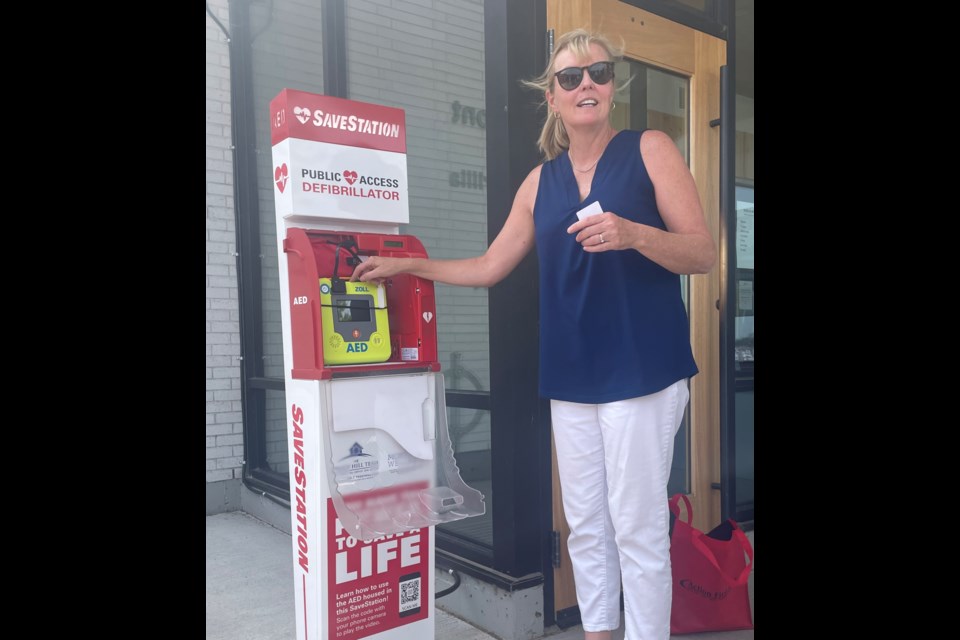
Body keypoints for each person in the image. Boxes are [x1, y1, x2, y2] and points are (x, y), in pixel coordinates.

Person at [352, 28, 716, 640]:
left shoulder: (650, 148)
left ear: (612, 85)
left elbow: (702, 253)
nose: (586, 85)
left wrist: (634, 234)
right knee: (587, 525)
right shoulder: (538, 182)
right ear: (553, 97)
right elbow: (491, 267)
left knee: (637, 526)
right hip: (571, 375)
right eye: (570, 78)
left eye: (597, 73)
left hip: (643, 370)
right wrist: (408, 264)